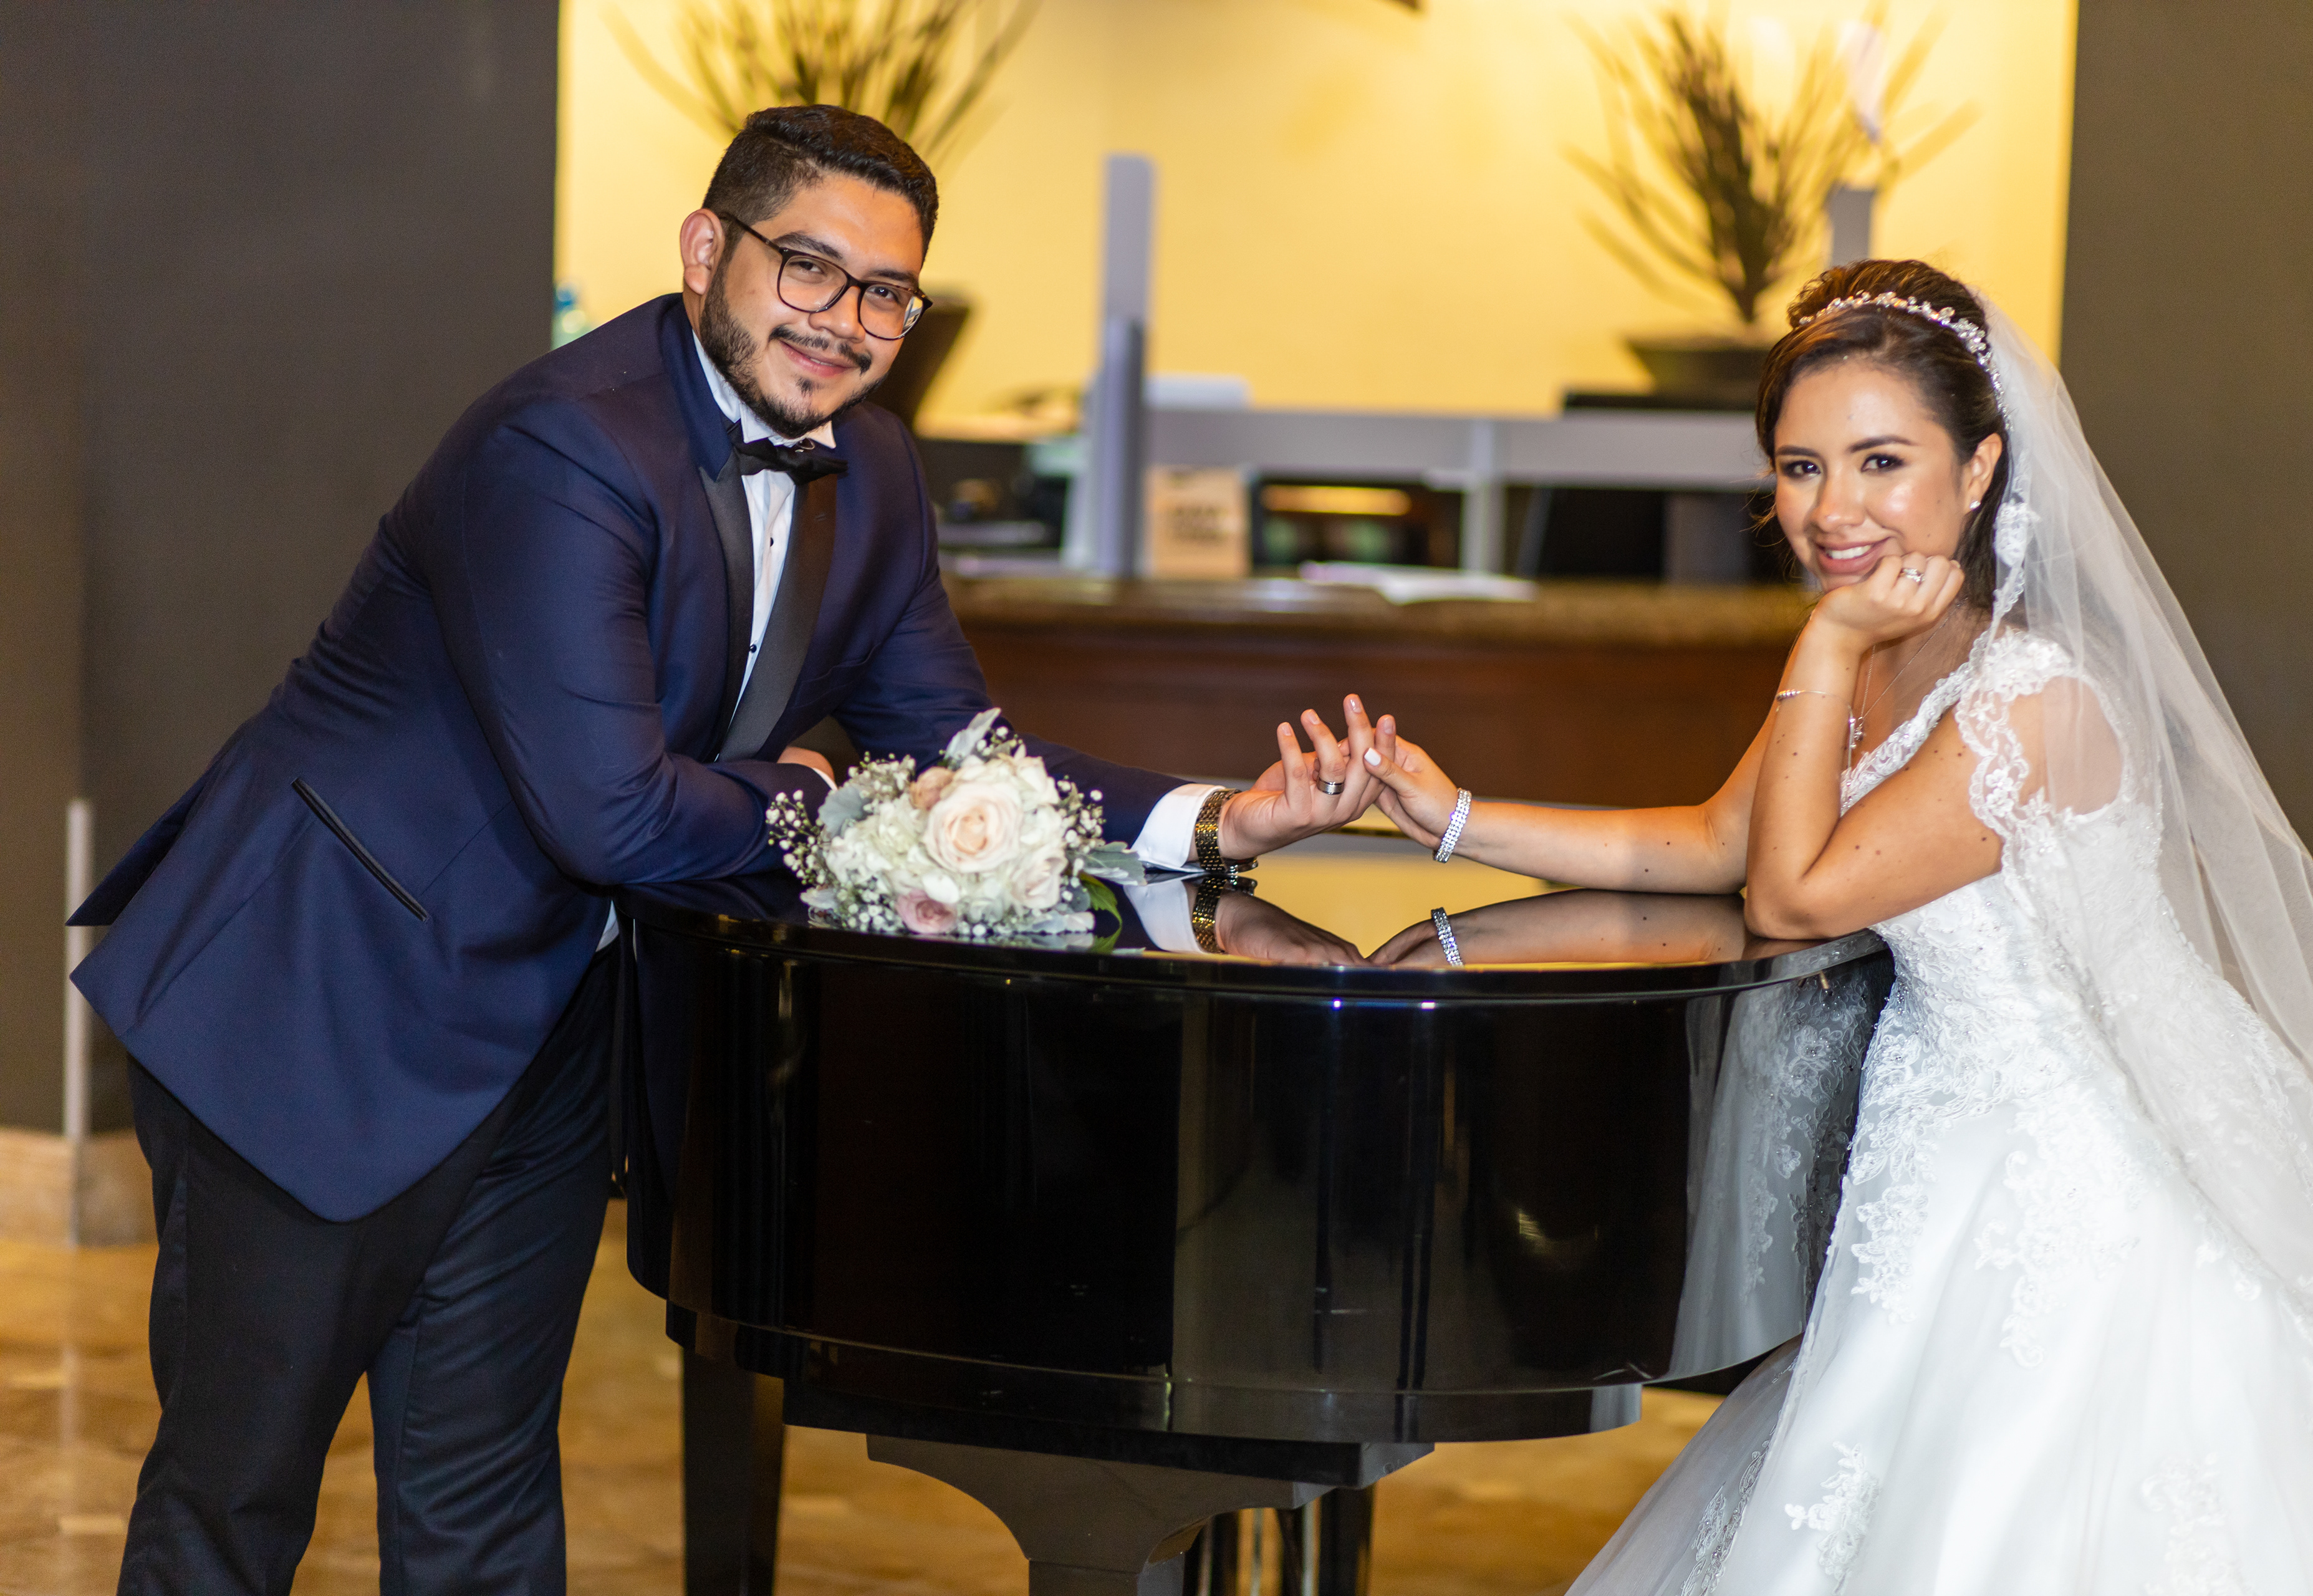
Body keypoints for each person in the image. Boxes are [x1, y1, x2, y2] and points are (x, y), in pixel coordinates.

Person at [69, 104, 1385, 1595]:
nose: (844, 322)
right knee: (234, 1501)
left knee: (483, 1505)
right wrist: (808, 786)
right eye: (806, 267)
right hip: (320, 1000)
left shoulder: (875, 471)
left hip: (546, 1032)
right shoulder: (562, 444)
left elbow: (961, 750)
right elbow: (611, 815)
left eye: (887, 293)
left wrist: (1214, 818)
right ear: (707, 248)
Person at [1367, 258, 2313, 1591]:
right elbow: (1717, 842)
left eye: (1880, 463)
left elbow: (1791, 894)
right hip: (1936, 1145)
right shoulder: (1878, 653)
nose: (1831, 510)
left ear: (1980, 471)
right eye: (1801, 467)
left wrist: (1825, 646)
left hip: (2066, 1179)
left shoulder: (2033, 700)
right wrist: (1452, 815)